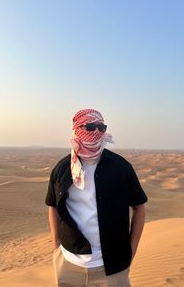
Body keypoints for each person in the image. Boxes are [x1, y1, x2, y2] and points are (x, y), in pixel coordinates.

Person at [45, 108, 148, 287]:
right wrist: (56, 246)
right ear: (77, 128)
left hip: (112, 267)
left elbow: (139, 207)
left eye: (102, 127)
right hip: (69, 264)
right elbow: (53, 206)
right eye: (91, 127)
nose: (97, 132)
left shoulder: (120, 167)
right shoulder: (62, 169)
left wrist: (131, 251)